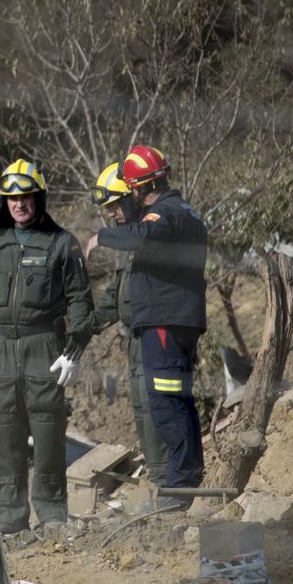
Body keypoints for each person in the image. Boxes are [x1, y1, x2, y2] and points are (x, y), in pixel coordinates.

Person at [0, 159, 95, 533]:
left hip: (45, 347)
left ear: (39, 198)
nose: (18, 205)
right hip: (2, 347)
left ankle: (53, 517)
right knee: (5, 436)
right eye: (11, 198)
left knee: (48, 433)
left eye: (25, 197)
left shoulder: (62, 243)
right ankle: (10, 521)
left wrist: (74, 351)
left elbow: (80, 302)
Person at [84, 145, 208, 500]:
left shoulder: (165, 213)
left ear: (137, 188)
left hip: (165, 323)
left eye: (130, 190)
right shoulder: (187, 212)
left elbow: (143, 235)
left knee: (166, 404)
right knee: (179, 400)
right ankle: (189, 479)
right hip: (178, 321)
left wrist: (101, 238)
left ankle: (179, 485)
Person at [85, 162, 168, 481]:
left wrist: (104, 237)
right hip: (134, 340)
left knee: (157, 408)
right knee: (141, 410)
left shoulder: (153, 231)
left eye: (115, 204)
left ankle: (169, 486)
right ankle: (158, 481)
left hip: (157, 337)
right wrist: (88, 325)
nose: (112, 213)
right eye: (107, 208)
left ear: (134, 196)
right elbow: (118, 294)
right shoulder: (127, 244)